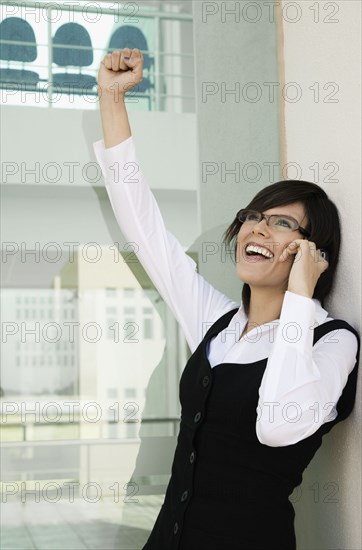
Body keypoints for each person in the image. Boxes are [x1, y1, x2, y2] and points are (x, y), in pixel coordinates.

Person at [93, 48, 360, 550]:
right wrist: (112, 98)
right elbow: (145, 231)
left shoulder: (334, 342)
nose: (258, 226)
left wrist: (300, 297)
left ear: (313, 252)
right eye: (254, 215)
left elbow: (280, 426)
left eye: (283, 223)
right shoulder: (218, 324)